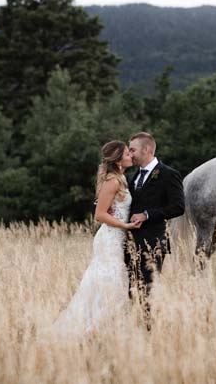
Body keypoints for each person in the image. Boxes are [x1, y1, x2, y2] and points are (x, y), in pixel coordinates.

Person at [52, 140, 142, 336]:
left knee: (114, 279)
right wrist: (125, 225)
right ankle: (93, 326)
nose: (131, 156)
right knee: (110, 279)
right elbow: (99, 215)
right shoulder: (113, 181)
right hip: (110, 237)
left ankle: (107, 326)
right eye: (127, 154)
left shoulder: (122, 178)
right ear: (118, 159)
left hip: (118, 237)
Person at [124, 132, 185, 328]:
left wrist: (147, 214)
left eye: (132, 149)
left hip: (154, 242)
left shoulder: (168, 174)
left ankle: (148, 328)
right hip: (130, 242)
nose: (130, 154)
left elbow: (178, 207)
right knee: (130, 288)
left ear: (147, 150)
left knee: (148, 288)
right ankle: (132, 325)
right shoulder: (133, 177)